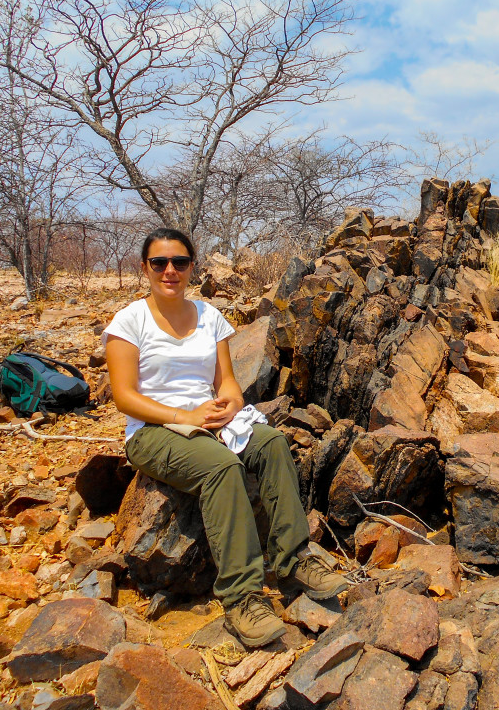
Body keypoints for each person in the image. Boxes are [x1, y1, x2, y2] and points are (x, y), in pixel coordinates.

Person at [103, 228, 347, 647]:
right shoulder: (129, 321)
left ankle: (293, 559)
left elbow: (228, 383)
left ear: (191, 267)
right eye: (159, 263)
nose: (170, 271)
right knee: (221, 468)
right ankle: (242, 595)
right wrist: (186, 416)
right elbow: (125, 397)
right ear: (144, 268)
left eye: (179, 262)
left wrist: (228, 405)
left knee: (270, 443)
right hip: (155, 429)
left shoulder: (208, 316)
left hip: (208, 419)